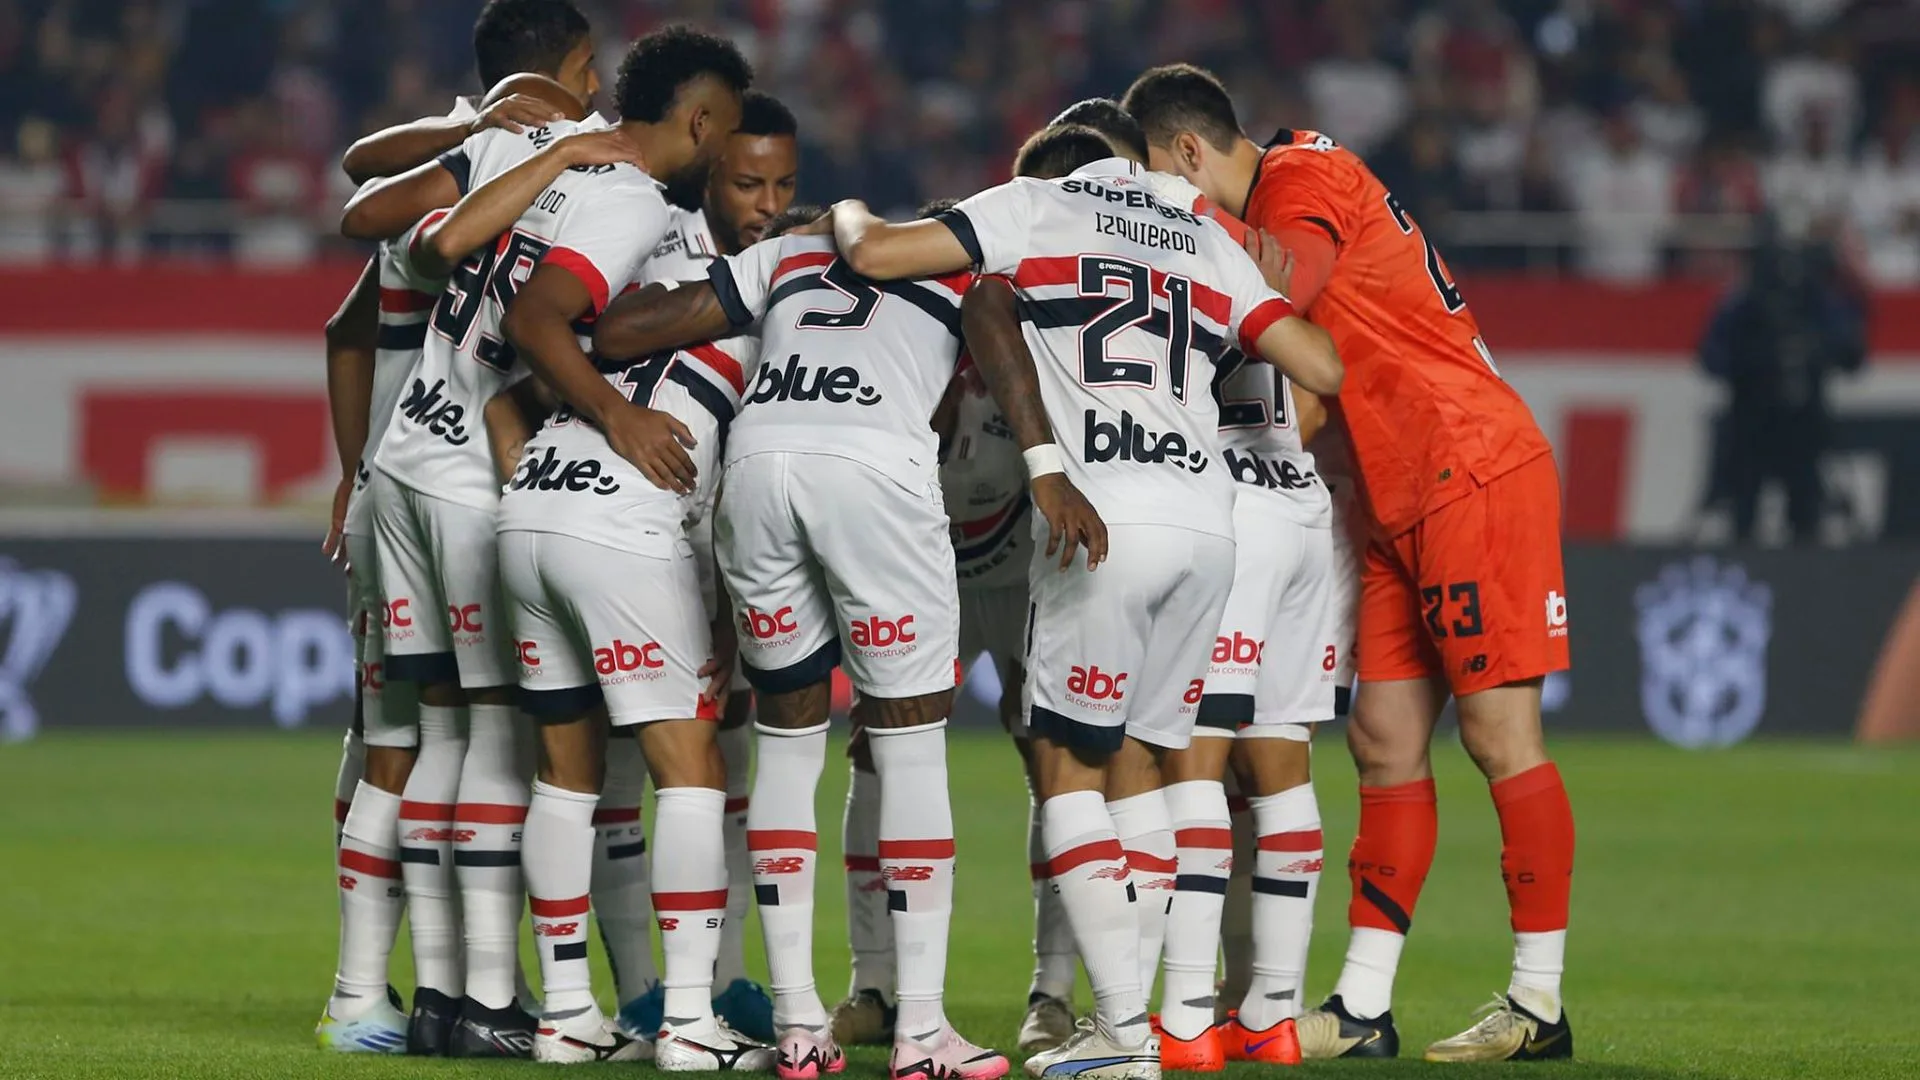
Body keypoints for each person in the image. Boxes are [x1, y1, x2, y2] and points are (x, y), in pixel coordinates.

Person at [820, 123, 1340, 1080]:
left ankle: (1121, 1035)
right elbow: (1321, 368)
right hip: (1210, 525)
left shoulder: (1041, 207)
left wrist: (843, 213)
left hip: (1105, 518)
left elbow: (875, 251)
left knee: (1066, 770)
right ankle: (1152, 1019)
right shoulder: (1200, 231)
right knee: (1144, 761)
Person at [1123, 63, 1577, 1063]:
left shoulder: (1304, 176)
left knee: (1501, 737)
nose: (1162, 206)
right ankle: (1364, 1005)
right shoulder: (1286, 185)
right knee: (1381, 739)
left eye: (1161, 181)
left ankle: (1539, 1001)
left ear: (1190, 155)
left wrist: (1160, 230)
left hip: (1470, 465)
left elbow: (1286, 282)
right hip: (1387, 490)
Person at [591, 197, 1007, 1080]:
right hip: (872, 473)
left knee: (787, 738)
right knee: (910, 742)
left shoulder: (787, 254)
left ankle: (797, 1029)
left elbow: (624, 328)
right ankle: (922, 1034)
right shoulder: (960, 264)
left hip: (758, 467)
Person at [409, 26, 753, 1064]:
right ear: (698, 122)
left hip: (531, 510)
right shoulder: (636, 200)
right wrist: (619, 416)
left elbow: (438, 254)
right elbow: (536, 316)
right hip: (608, 512)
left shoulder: (573, 188)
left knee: (565, 770)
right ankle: (690, 1023)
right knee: (686, 766)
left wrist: (554, 443)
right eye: (728, 137)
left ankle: (566, 1017)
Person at [1044, 95, 1343, 1071]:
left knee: (1184, 762)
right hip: (1299, 504)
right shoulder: (1246, 242)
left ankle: (1179, 1022)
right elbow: (1313, 398)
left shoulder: (1142, 237)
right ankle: (1274, 1015)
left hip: (1220, 513)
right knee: (1284, 756)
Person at [335, 67, 608, 1058]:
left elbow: (372, 220)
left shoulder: (491, 153)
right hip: (464, 484)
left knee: (428, 741)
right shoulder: (605, 179)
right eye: (587, 73)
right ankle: (492, 1000)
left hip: (402, 455)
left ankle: (433, 997)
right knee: (493, 742)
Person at [613, 89, 801, 1046]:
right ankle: (641, 991)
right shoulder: (659, 245)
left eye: (782, 185)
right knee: (624, 769)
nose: (766, 203)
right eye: (746, 182)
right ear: (709, 171)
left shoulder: (794, 267)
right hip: (635, 529)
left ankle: (723, 982)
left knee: (724, 762)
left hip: (722, 545)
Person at [1699, 225, 1866, 543]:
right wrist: (1754, 362)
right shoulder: (1745, 302)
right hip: (1751, 422)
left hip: (1803, 423)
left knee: (1805, 508)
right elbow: (1711, 355)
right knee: (1744, 510)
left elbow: (1852, 353)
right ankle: (1744, 571)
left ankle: (1804, 579)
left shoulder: (1816, 301)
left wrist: (1813, 351)